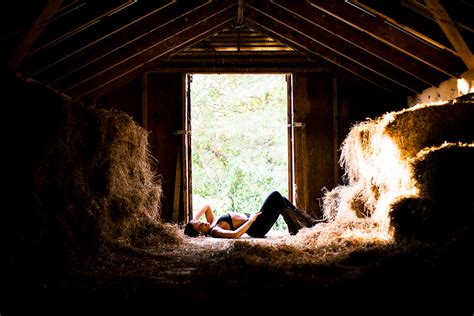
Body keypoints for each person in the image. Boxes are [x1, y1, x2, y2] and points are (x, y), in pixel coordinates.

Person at [183, 191, 323, 238]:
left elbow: (206, 206)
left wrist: (193, 220)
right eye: (200, 226)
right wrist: (251, 220)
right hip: (257, 227)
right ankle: (296, 227)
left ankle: (309, 223)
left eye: (199, 221)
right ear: (201, 234)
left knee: (282, 200)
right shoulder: (215, 230)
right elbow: (235, 235)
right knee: (275, 195)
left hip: (256, 222)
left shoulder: (211, 221)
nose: (202, 222)